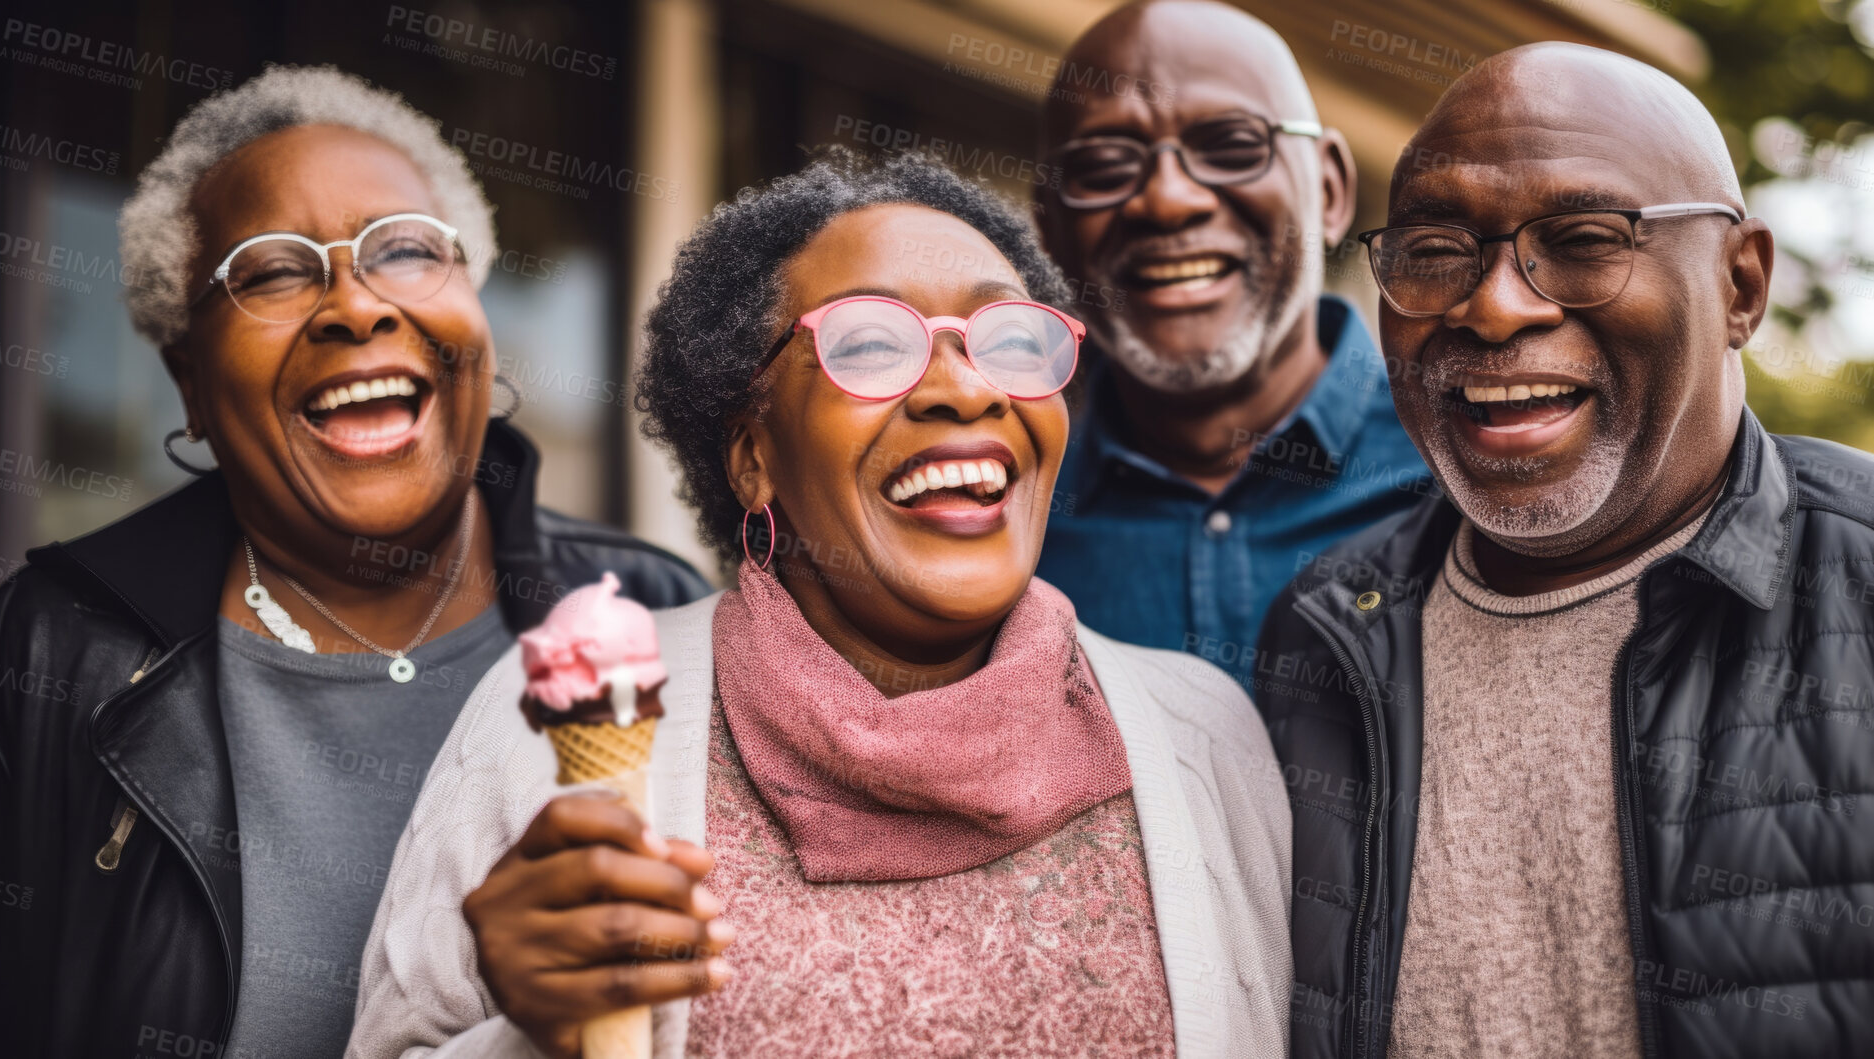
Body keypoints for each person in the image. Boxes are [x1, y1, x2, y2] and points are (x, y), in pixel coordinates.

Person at [347, 150, 1294, 1059]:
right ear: (752, 454)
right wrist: (529, 1034)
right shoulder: (553, 720)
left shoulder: (1202, 736)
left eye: (1010, 341)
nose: (965, 388)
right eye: (871, 343)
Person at [0, 66, 707, 1059]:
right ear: (188, 381)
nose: (354, 306)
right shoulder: (50, 654)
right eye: (274, 272)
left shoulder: (663, 614)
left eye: (405, 250)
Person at [1257, 42, 1874, 1058]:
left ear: (1740, 286)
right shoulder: (1325, 632)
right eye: (1430, 251)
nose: (1493, 306)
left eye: (1584, 239)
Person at [1033, 0, 1433, 687]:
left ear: (1331, 190)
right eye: (1103, 166)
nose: (1166, 201)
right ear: (1050, 225)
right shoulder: (1005, 506)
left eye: (1229, 146)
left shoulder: (1462, 475)